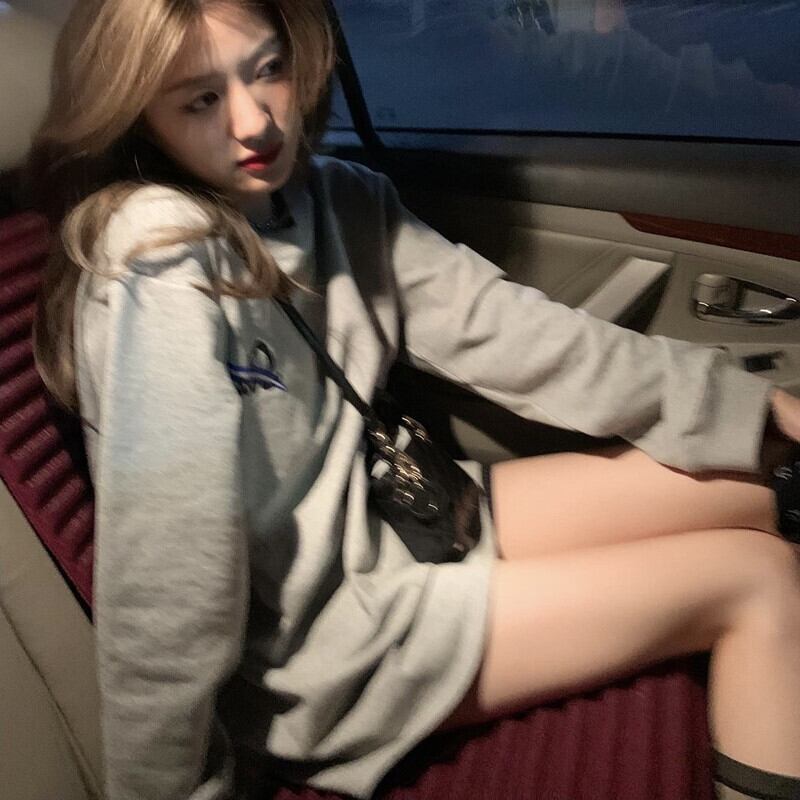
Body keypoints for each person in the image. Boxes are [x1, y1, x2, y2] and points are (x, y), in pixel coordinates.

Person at [25, 1, 800, 799]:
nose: (255, 121)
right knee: (757, 578)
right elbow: (168, 563)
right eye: (200, 100)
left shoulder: (335, 198)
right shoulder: (155, 260)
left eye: (268, 70)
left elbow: (519, 335)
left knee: (762, 482)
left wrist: (757, 407)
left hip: (398, 517)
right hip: (325, 643)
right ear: (141, 117)